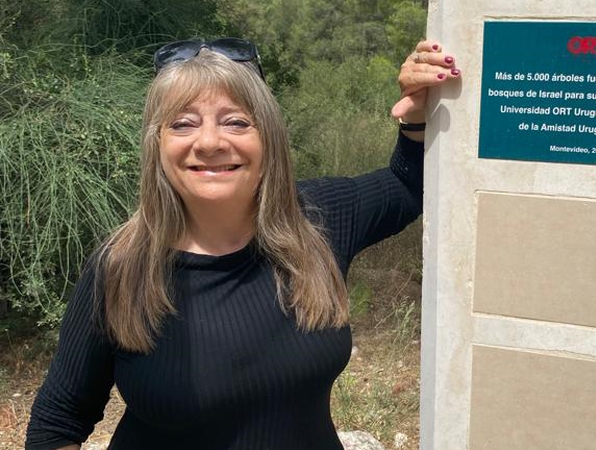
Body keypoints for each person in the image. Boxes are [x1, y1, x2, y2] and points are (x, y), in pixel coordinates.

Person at [24, 37, 460, 450]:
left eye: (235, 121)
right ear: (157, 144)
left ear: (267, 137)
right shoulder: (122, 266)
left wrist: (417, 114)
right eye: (183, 124)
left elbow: (408, 184)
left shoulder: (317, 220)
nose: (210, 142)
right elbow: (57, 421)